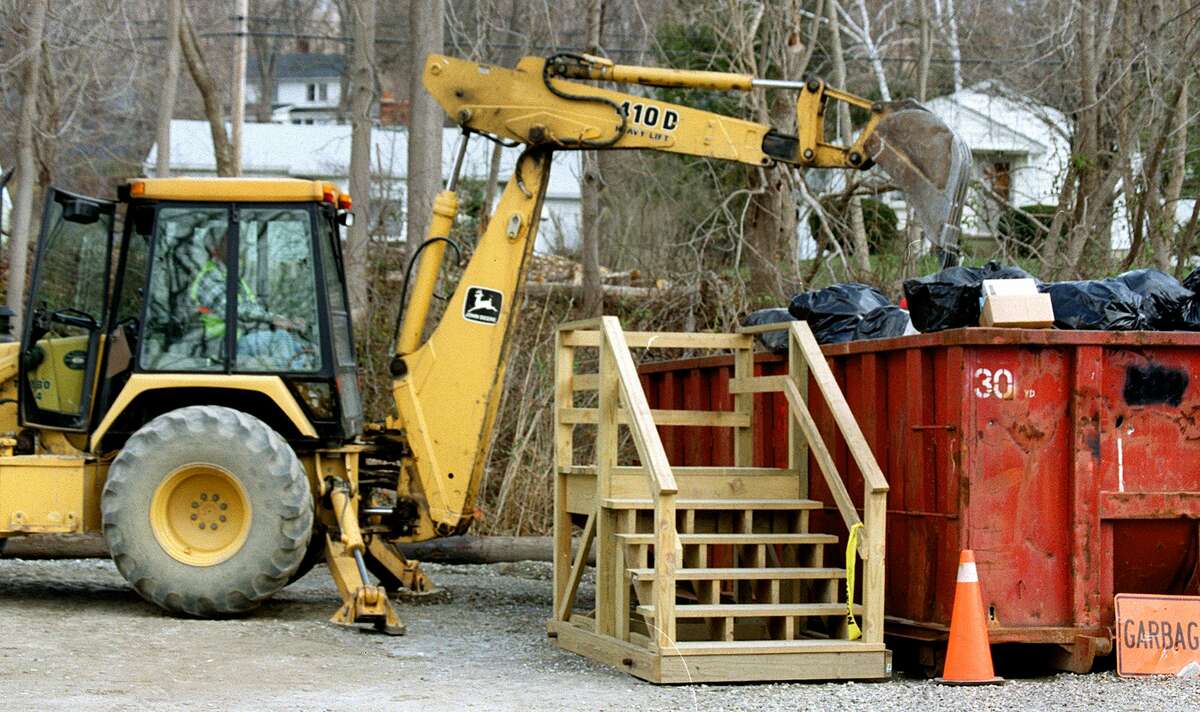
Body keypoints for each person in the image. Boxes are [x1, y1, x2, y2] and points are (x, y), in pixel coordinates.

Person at [189, 228, 312, 370]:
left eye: (237, 243)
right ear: (215, 249)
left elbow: (253, 310)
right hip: (222, 346)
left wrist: (287, 322)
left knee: (297, 345)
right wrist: (273, 319)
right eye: (229, 243)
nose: (238, 248)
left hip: (241, 338)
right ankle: (293, 379)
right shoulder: (210, 279)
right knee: (281, 339)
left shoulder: (231, 277)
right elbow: (236, 310)